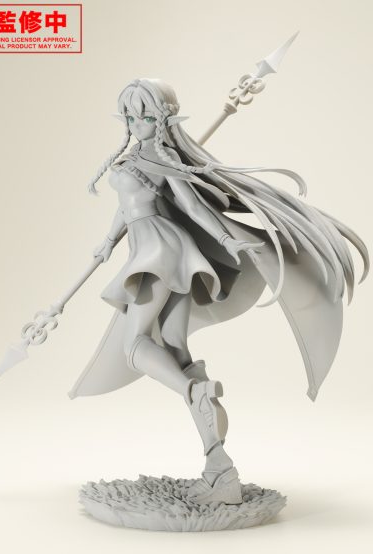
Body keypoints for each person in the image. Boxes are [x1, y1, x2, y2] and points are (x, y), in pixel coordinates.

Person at [68, 77, 369, 505]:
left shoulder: (166, 161)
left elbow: (192, 206)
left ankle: (191, 390)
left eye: (145, 116)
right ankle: (219, 465)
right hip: (157, 246)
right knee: (175, 350)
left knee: (134, 346)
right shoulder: (142, 158)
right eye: (130, 117)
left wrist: (228, 239)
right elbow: (128, 207)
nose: (136, 124)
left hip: (156, 251)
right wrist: (107, 241)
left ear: (163, 119)